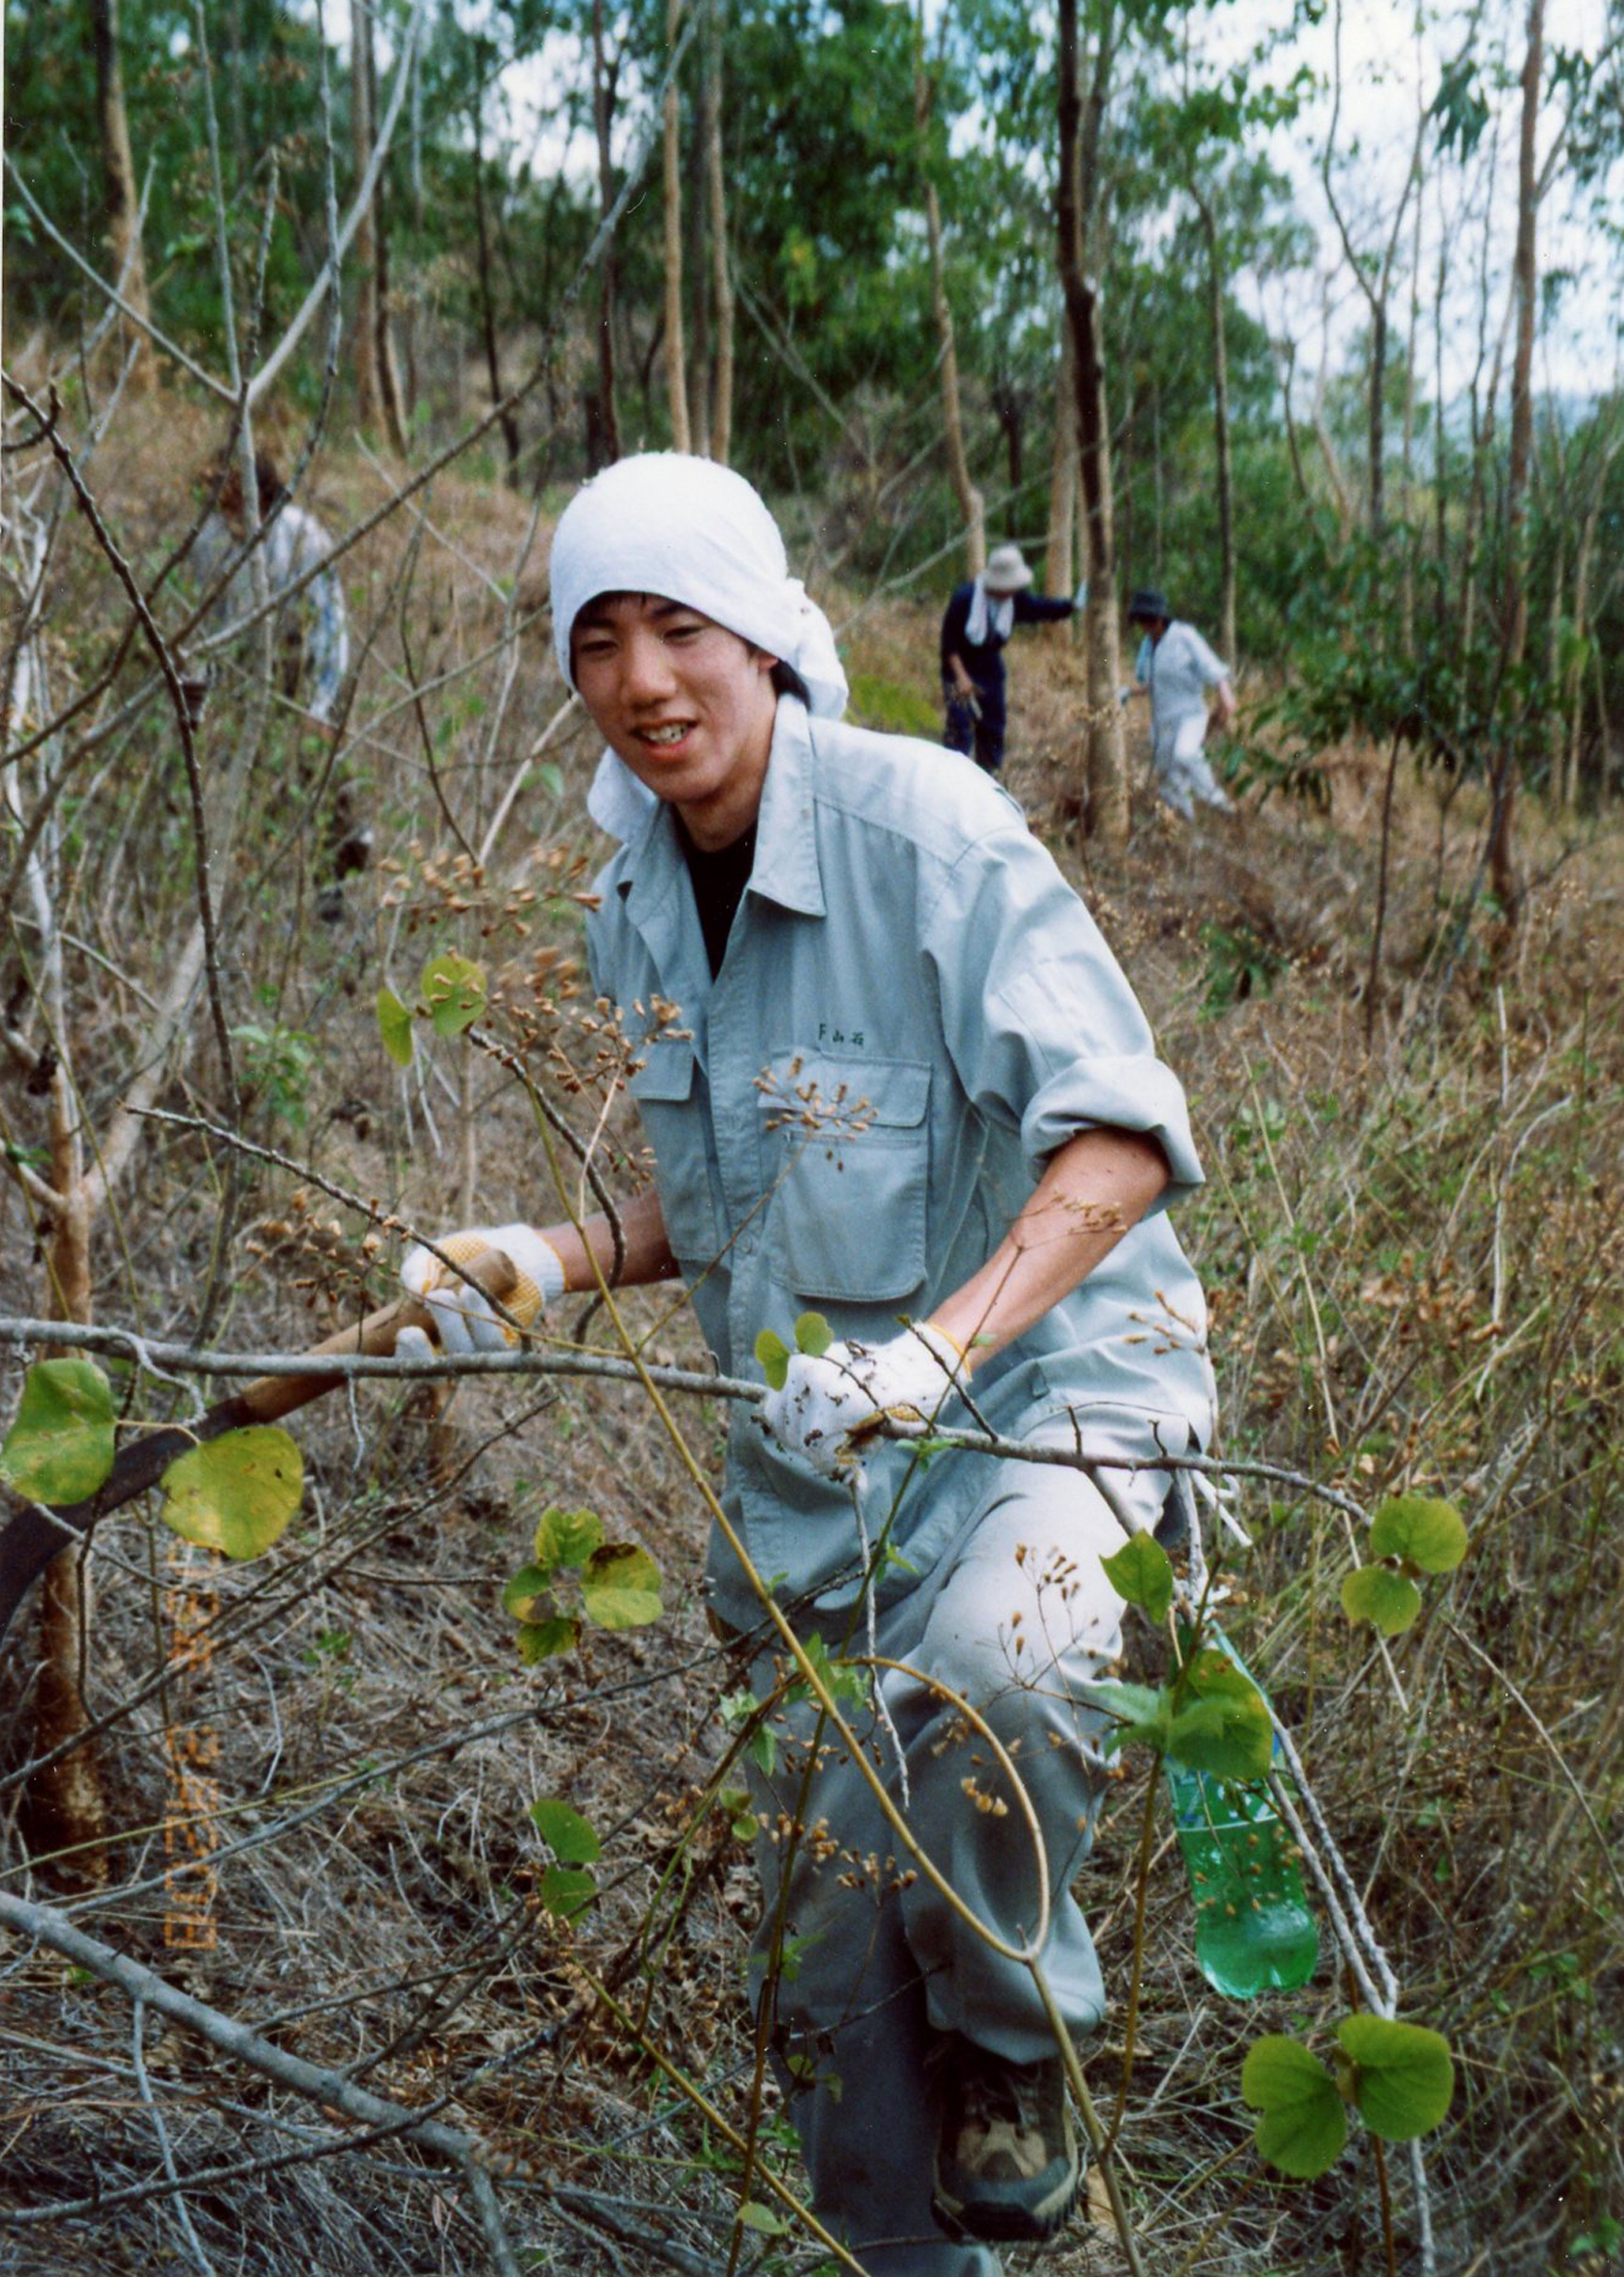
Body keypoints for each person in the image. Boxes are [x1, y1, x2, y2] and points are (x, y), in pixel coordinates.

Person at [398, 454, 1217, 2277]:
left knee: (997, 1676)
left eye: (676, 623)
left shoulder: (928, 830)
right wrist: (548, 1253)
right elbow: (744, 1185)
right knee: (822, 1998)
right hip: (825, 1492)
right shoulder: (630, 898)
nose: (640, 675)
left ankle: (1016, 2048)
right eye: (595, 640)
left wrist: (936, 1347)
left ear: (766, 632)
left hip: (1055, 1392)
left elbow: (1118, 1145)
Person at [193, 451, 351, 732]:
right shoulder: (209, 541)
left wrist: (320, 706)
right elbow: (206, 625)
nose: (235, 517)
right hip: (240, 671)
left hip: (298, 669)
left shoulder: (305, 538)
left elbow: (330, 625)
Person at [939, 544, 1084, 774]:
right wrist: (962, 679)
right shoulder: (964, 598)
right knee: (960, 728)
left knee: (993, 725)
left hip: (989, 666)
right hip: (959, 668)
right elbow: (949, 646)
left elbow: (1040, 608)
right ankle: (951, 777)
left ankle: (989, 776)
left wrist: (1071, 607)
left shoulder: (1013, 601)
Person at [1121, 588, 1236, 819]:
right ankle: (1184, 822)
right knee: (1168, 775)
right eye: (1141, 621)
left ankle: (1217, 800)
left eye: (1148, 620)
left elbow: (1210, 665)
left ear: (1160, 618)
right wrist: (1128, 692)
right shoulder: (1148, 646)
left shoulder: (1184, 636)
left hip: (1190, 714)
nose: (1146, 626)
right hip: (1162, 720)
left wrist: (1225, 693)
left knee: (1185, 753)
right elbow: (1152, 682)